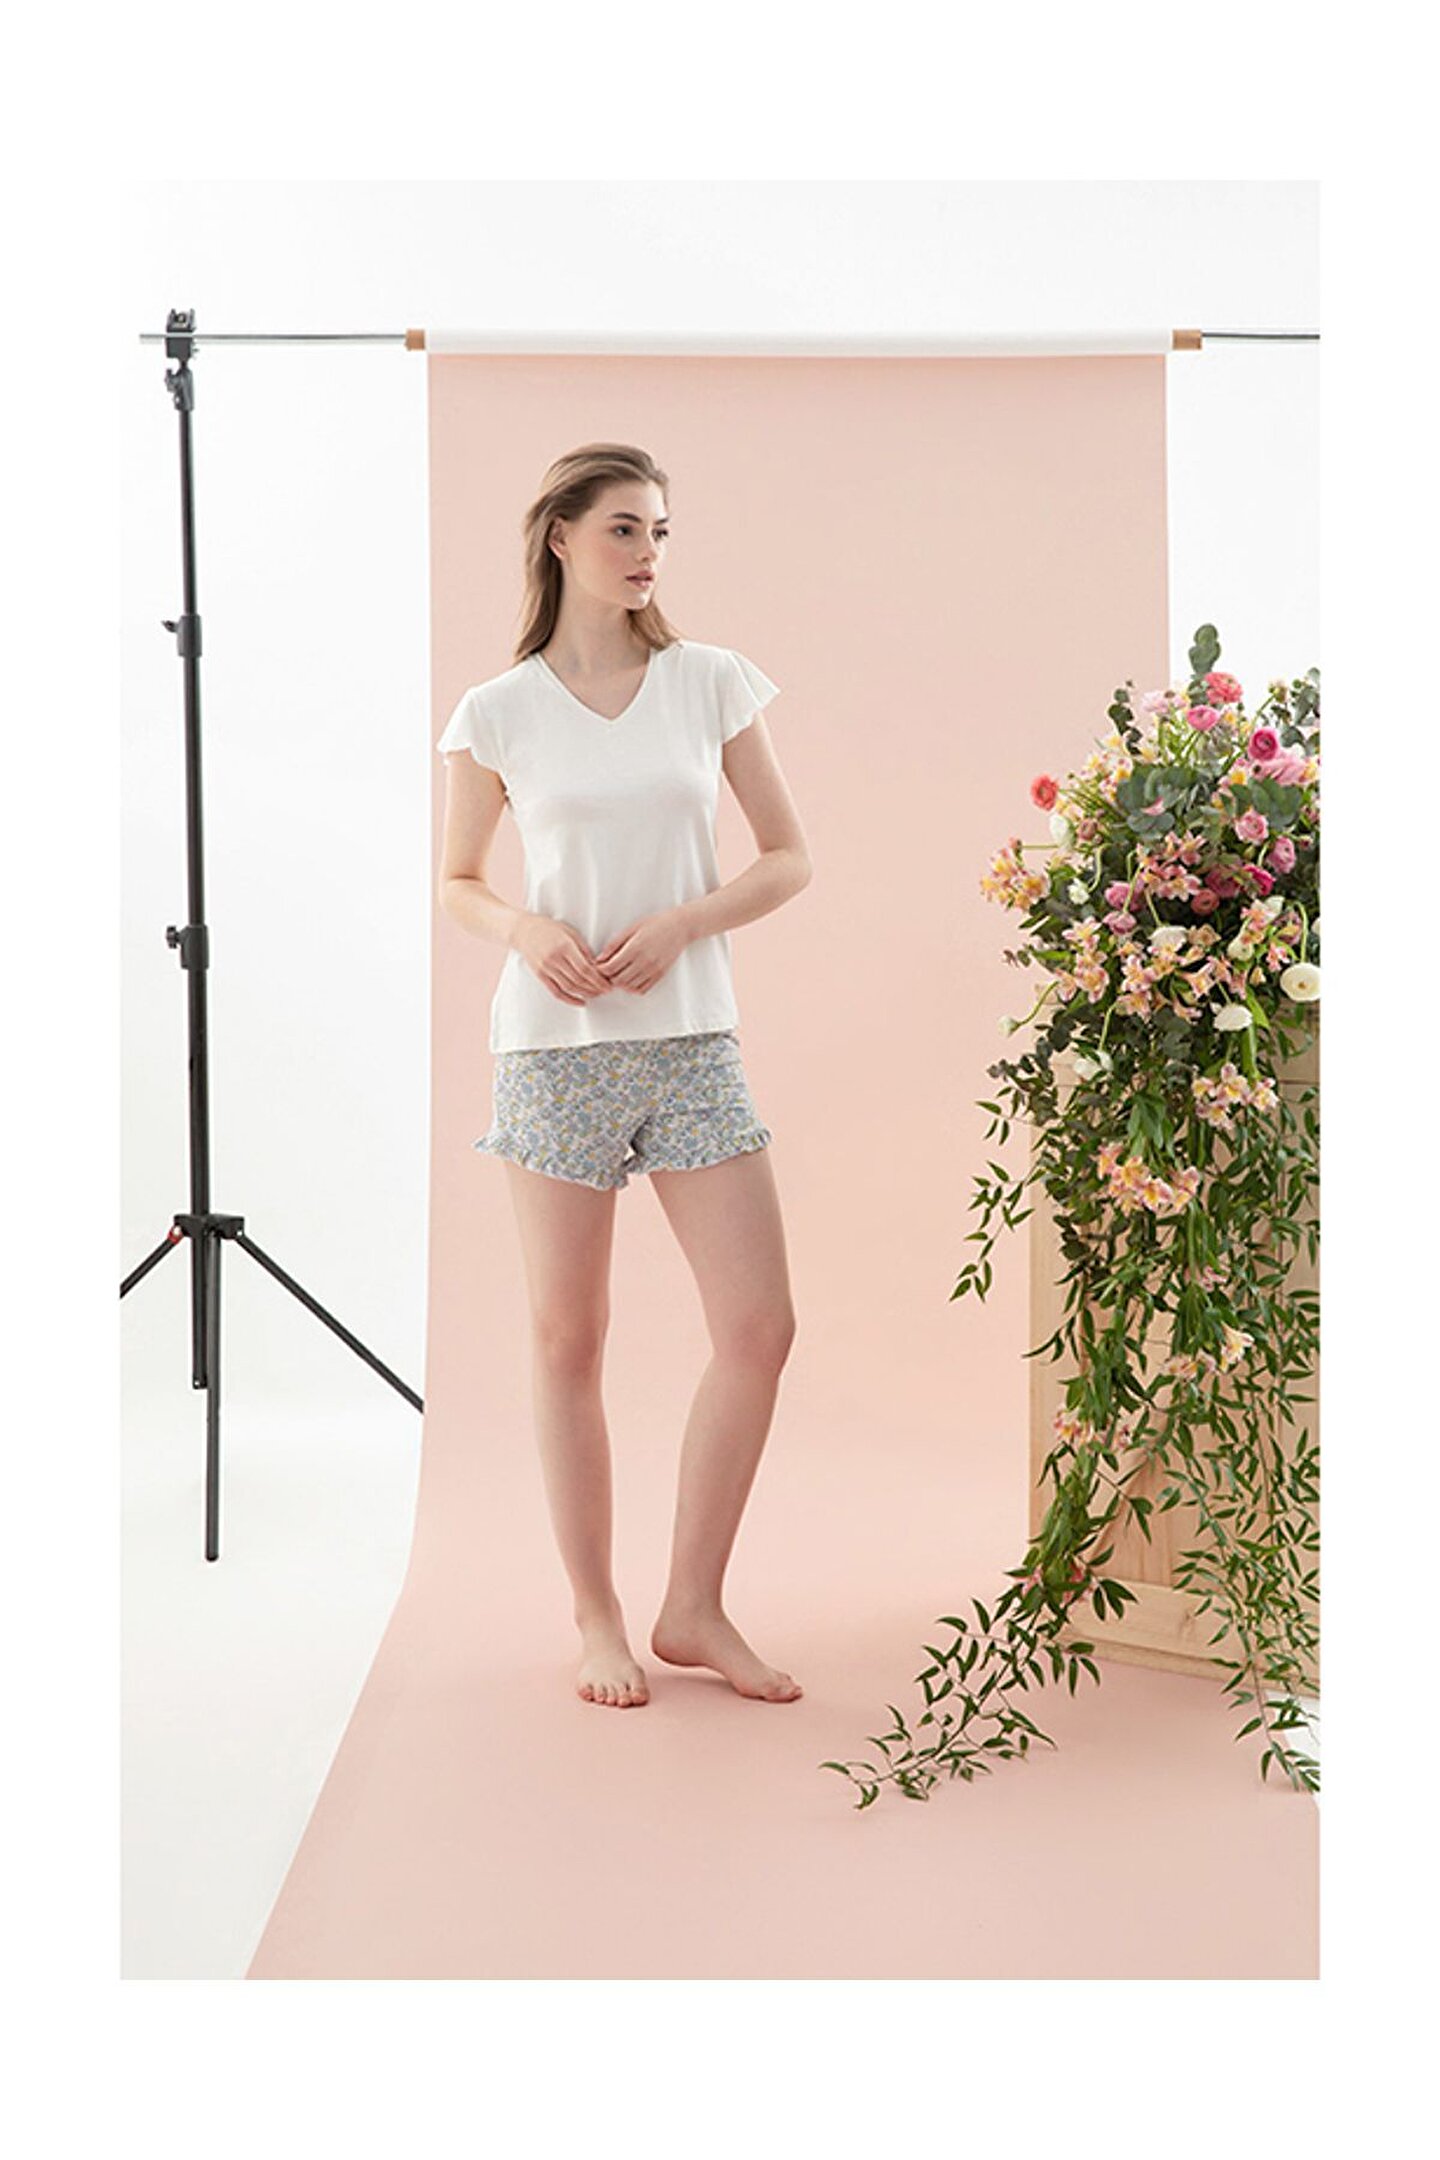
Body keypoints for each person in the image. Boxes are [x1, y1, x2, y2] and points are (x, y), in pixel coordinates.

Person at [437, 443, 812, 1711]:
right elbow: (458, 883)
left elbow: (789, 856)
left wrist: (687, 922)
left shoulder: (710, 682)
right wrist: (524, 930)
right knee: (569, 1336)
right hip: (554, 1052)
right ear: (560, 538)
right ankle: (596, 1614)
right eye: (622, 529)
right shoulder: (497, 711)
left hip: (693, 1040)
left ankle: (693, 1606)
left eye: (658, 530)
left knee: (759, 1328)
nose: (648, 551)